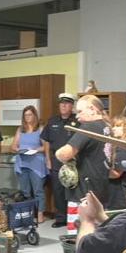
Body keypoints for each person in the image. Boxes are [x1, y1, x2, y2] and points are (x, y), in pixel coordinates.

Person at [55, 95, 111, 205]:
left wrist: (58, 153)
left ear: (92, 109)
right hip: (100, 187)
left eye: (80, 111)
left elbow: (64, 154)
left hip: (84, 192)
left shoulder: (89, 128)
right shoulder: (106, 126)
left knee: (78, 222)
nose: (77, 116)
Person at [41, 93, 78, 227]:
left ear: (72, 106)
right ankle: (61, 218)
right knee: (58, 190)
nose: (63, 106)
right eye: (61, 103)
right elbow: (46, 141)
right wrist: (48, 159)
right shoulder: (52, 121)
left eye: (67, 103)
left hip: (74, 162)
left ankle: (73, 218)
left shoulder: (77, 121)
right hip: (56, 161)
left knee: (73, 190)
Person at [11, 105, 47, 223]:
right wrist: (17, 149)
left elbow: (45, 146)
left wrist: (35, 150)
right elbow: (13, 146)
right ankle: (28, 215)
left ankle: (40, 215)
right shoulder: (20, 129)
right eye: (25, 115)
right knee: (25, 192)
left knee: (38, 191)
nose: (27, 117)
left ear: (34, 115)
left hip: (36, 163)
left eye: (30, 114)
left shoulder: (40, 129)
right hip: (22, 163)